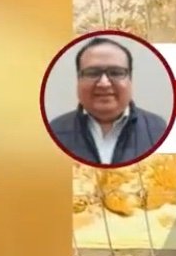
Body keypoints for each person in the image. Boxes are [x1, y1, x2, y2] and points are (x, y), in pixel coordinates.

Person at [48, 37, 168, 166]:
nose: (104, 83)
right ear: (78, 80)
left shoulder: (159, 131)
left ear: (130, 80)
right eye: (92, 73)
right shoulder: (54, 132)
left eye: (116, 73)